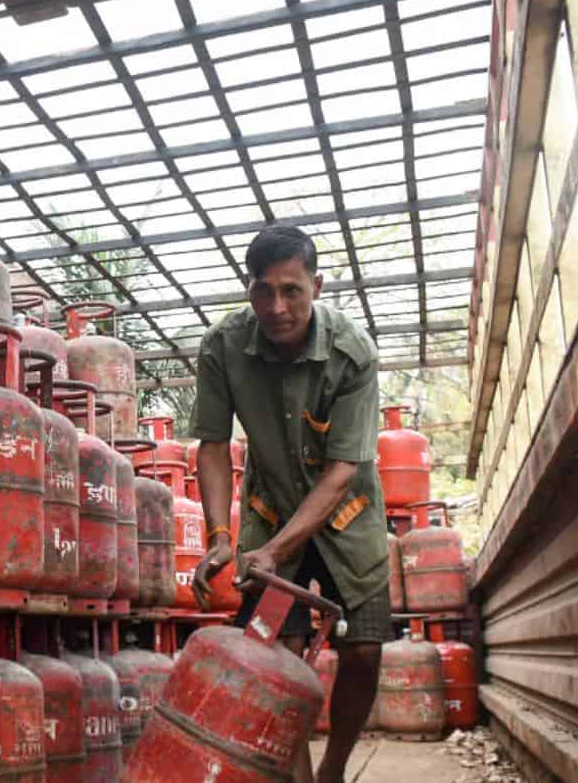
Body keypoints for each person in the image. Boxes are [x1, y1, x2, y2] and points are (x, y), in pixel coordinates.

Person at [189, 224, 388, 783]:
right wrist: (220, 538)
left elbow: (343, 470)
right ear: (248, 287)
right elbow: (212, 445)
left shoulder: (352, 353)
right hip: (269, 510)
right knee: (278, 648)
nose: (277, 307)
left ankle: (334, 769)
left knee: (365, 651)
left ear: (316, 286)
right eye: (263, 291)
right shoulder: (223, 346)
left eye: (291, 291)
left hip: (348, 519)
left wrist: (275, 552)